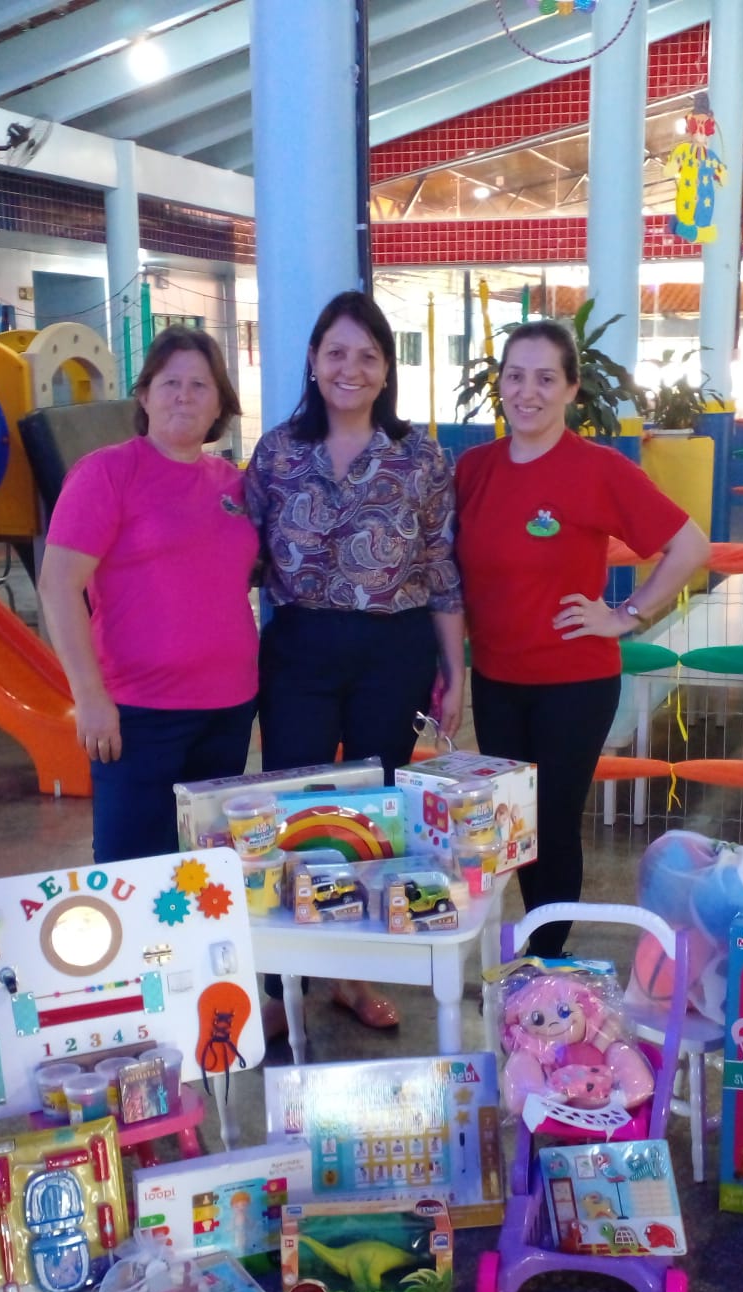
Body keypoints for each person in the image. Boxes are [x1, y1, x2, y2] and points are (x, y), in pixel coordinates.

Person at [454, 319, 710, 960]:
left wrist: (628, 614)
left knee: (552, 822)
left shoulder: (597, 469)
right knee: (515, 827)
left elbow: (690, 546)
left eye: (546, 378)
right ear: (500, 384)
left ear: (571, 389)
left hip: (574, 683)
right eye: (516, 376)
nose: (528, 392)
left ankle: (544, 961)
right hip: (497, 681)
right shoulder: (474, 470)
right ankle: (534, 954)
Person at [247, 290, 465, 1029]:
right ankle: (284, 986)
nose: (351, 368)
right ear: (313, 360)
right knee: (294, 811)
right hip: (299, 650)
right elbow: (238, 555)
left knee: (375, 813)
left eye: (368, 355)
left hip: (392, 651)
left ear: (387, 369)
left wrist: (456, 674)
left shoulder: (420, 456)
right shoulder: (278, 452)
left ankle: (352, 972)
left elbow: (441, 569)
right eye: (336, 352)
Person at [39, 325, 257, 863]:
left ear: (219, 406)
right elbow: (58, 585)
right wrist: (89, 698)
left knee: (207, 873)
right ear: (144, 395)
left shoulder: (233, 484)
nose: (184, 396)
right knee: (131, 873)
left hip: (229, 710)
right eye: (170, 383)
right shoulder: (107, 473)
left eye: (200, 386)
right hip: (139, 713)